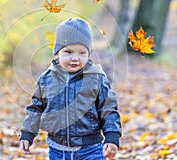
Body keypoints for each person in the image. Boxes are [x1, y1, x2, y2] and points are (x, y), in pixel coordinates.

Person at [19, 17, 122, 159]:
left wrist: (112, 136)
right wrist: (27, 134)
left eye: (82, 53)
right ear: (57, 53)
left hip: (90, 149)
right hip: (57, 150)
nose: (75, 58)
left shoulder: (96, 78)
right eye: (68, 52)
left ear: (89, 53)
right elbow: (36, 108)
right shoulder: (47, 79)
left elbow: (108, 108)